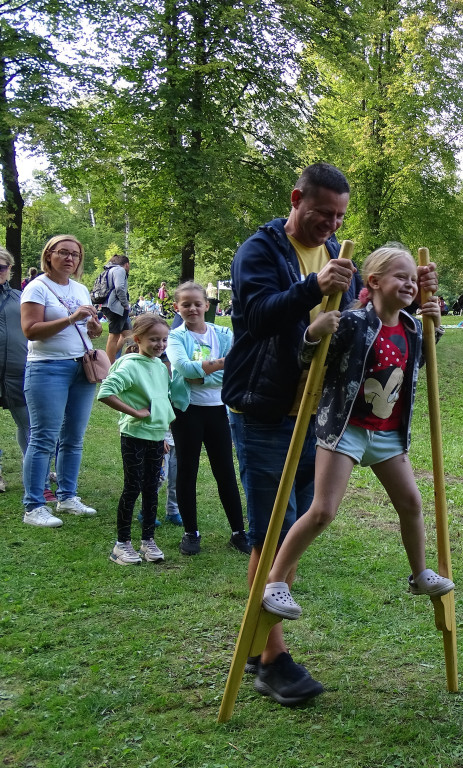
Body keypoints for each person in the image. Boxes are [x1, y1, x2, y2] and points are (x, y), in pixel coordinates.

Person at [258, 246, 453, 664]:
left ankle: (420, 575)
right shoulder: (350, 322)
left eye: (413, 280)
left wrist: (434, 323)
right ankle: (275, 581)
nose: (408, 284)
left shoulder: (412, 329)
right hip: (344, 429)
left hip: (387, 435)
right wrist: (313, 333)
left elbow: (422, 361)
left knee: (412, 503)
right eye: (399, 277)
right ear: (374, 283)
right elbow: (305, 357)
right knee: (323, 511)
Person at [222, 162, 363, 705]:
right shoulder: (258, 251)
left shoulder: (332, 255)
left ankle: (262, 647)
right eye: (323, 212)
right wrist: (312, 287)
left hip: (312, 413)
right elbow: (255, 317)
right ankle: (270, 659)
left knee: (292, 536)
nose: (331, 222)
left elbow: (348, 324)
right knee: (269, 535)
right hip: (264, 411)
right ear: (296, 198)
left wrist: (401, 299)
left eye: (339, 215)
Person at [20, 235, 103, 527]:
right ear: (49, 255)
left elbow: (87, 329)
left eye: (75, 255)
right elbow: (31, 330)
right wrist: (71, 318)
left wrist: (93, 327)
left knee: (74, 438)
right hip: (47, 368)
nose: (70, 258)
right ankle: (34, 506)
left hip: (81, 368)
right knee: (44, 438)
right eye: (63, 253)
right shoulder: (37, 287)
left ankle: (68, 497)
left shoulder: (80, 289)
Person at [167, 281, 249, 556]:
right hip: (187, 411)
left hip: (218, 410)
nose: (192, 308)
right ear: (176, 307)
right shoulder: (175, 337)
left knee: (225, 470)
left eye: (197, 303)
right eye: (185, 304)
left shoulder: (223, 333)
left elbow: (238, 366)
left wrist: (202, 372)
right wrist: (221, 364)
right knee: (187, 471)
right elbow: (183, 368)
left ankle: (239, 532)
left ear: (207, 305)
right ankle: (191, 533)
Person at [97, 313, 175, 564]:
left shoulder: (161, 367)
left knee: (152, 489)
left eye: (164, 340)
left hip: (155, 438)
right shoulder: (130, 364)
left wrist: (162, 434)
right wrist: (135, 412)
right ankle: (121, 545)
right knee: (133, 487)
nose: (160, 345)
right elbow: (106, 392)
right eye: (154, 339)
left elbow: (161, 403)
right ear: (139, 339)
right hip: (134, 436)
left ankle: (147, 541)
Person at [0, 248, 30, 494]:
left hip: (17, 371)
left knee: (27, 423)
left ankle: (31, 469)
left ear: (10, 269)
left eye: (2, 267)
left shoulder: (21, 298)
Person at [98, 254, 132, 362]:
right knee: (114, 336)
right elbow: (119, 288)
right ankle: (109, 365)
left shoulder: (109, 270)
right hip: (115, 307)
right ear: (126, 264)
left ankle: (128, 358)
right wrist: (125, 304)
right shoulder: (120, 270)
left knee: (127, 335)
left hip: (110, 306)